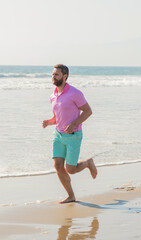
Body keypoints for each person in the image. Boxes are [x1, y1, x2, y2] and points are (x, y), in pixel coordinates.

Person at [42, 64, 97, 204]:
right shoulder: (53, 95)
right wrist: (49, 122)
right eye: (53, 74)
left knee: (71, 169)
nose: (53, 77)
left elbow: (88, 111)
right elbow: (58, 117)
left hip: (74, 136)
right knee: (58, 166)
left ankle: (88, 163)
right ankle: (71, 196)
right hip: (58, 136)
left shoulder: (75, 93)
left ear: (65, 76)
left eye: (56, 75)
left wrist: (73, 124)